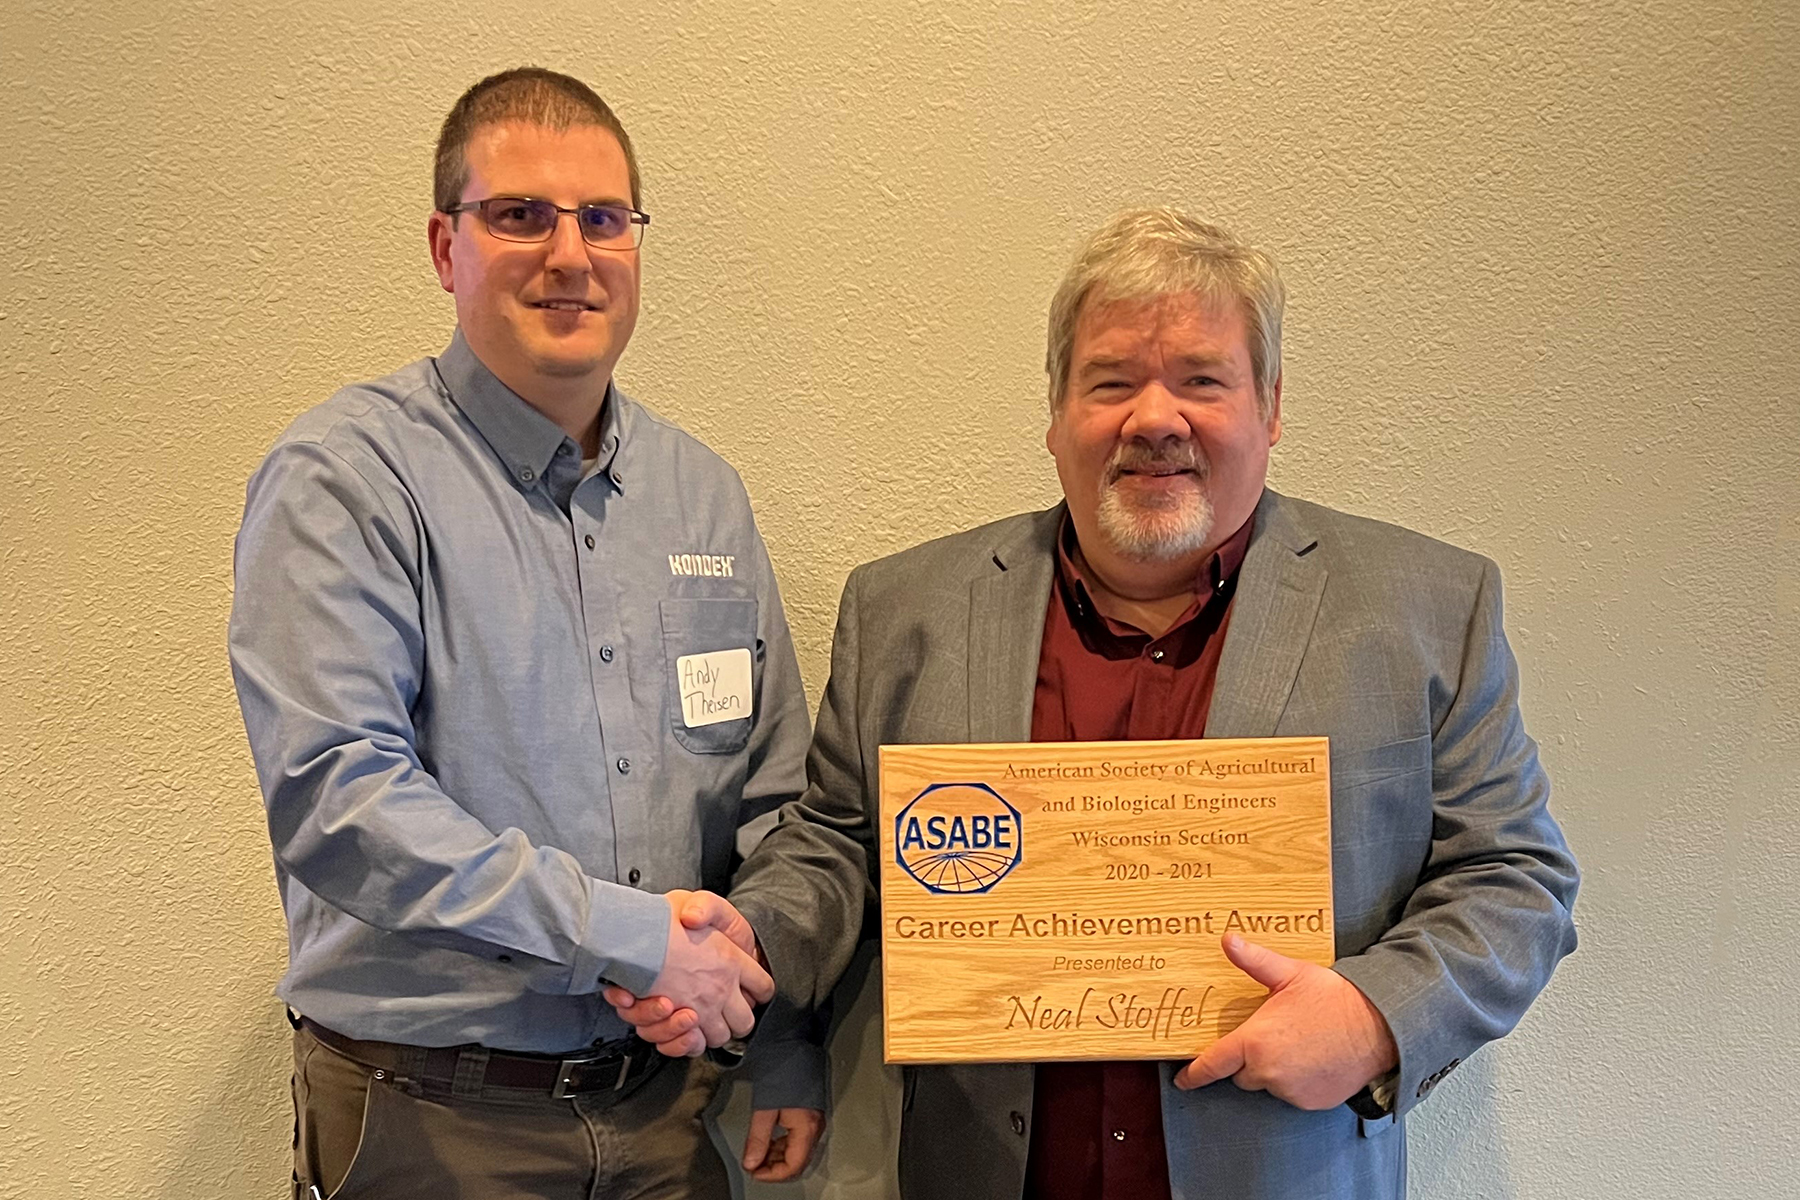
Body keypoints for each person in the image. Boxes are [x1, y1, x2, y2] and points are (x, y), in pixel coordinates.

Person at [611, 207, 1581, 1198]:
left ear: (1273, 406)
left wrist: (1379, 1019)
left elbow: (1517, 879)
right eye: (1111, 381)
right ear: (1056, 413)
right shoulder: (906, 610)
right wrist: (757, 939)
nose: (1154, 418)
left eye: (1201, 380)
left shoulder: (1427, 608)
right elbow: (838, 845)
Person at [229, 67, 821, 1199]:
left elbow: (775, 801)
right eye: (520, 217)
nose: (570, 254)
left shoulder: (704, 498)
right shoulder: (346, 480)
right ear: (446, 247)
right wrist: (631, 936)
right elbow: (338, 799)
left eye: (603, 218)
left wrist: (768, 1019)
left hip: (667, 1117)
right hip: (432, 1124)